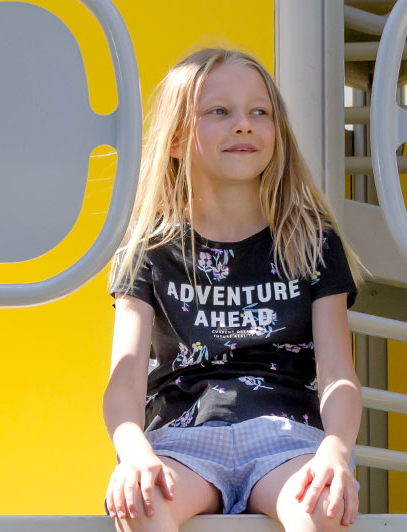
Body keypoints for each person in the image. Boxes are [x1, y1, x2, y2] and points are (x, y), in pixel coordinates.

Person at [103, 48, 363, 532]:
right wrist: (133, 451)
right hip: (183, 442)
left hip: (286, 439)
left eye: (258, 112)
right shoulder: (148, 250)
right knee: (140, 504)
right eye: (219, 111)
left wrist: (335, 451)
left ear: (277, 133)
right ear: (177, 138)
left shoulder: (312, 243)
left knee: (320, 506)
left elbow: (338, 375)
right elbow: (125, 376)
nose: (243, 124)